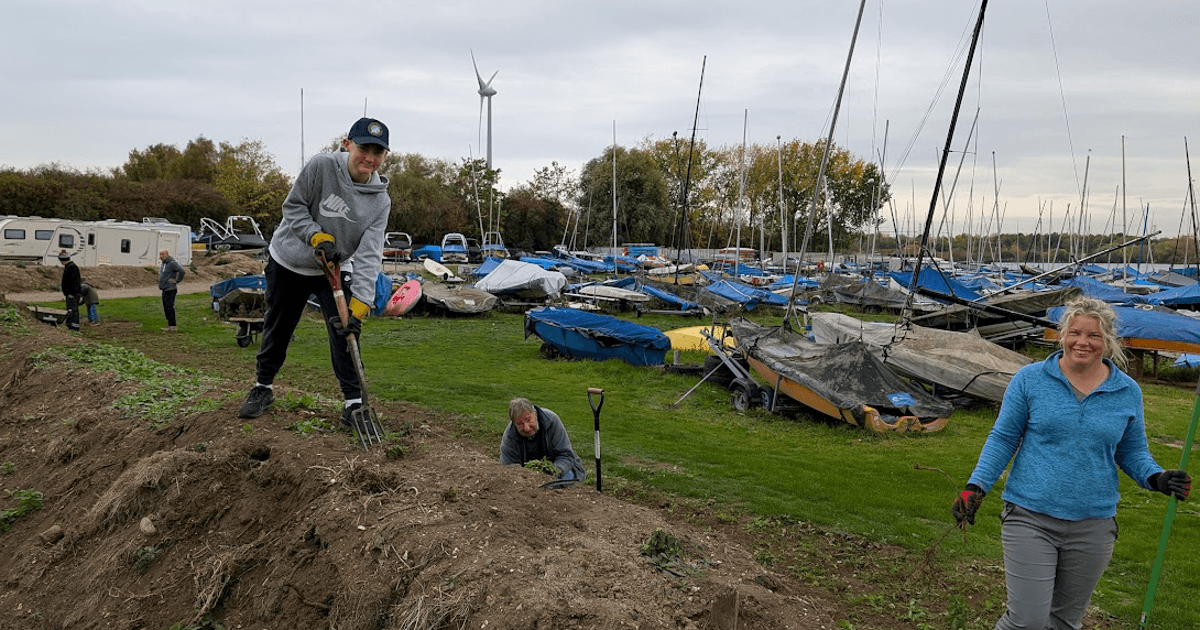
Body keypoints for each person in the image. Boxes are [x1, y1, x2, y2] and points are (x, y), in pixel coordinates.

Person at [953, 297, 1192, 630]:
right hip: (1030, 517)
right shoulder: (1030, 380)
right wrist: (974, 488)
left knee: (1065, 621)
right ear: (1062, 335)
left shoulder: (1127, 391)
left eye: (1094, 335)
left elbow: (1131, 452)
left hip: (1093, 525)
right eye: (1075, 332)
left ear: (1107, 341)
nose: (1083, 342)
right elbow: (1003, 439)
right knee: (1028, 621)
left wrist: (1156, 478)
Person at [237, 117, 392, 425]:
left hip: (332, 268)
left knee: (344, 333)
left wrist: (361, 303)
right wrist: (315, 235)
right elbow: (292, 207)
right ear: (348, 145)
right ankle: (262, 387)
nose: (370, 158)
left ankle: (353, 405)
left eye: (378, 152)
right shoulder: (321, 166)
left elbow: (370, 254)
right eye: (364, 148)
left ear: (385, 156)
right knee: (279, 327)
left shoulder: (380, 202)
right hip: (289, 261)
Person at [500, 397, 586, 481]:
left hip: (560, 469)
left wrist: (553, 472)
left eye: (528, 420)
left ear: (535, 414)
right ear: (514, 424)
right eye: (520, 424)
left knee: (557, 484)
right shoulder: (509, 436)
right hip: (528, 477)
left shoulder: (551, 421)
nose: (526, 428)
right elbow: (509, 469)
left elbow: (566, 455)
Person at [158, 249, 186, 331]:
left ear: (167, 254)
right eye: (160, 254)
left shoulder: (172, 263)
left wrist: (176, 280)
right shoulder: (163, 264)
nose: (161, 256)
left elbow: (182, 271)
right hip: (164, 288)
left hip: (170, 289)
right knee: (165, 307)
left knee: (169, 307)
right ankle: (169, 325)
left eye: (162, 254)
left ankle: (173, 326)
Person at [58, 250, 81, 331]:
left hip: (72, 294)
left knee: (73, 310)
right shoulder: (69, 267)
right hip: (69, 293)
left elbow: (74, 281)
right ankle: (70, 325)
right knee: (70, 310)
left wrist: (72, 293)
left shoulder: (72, 267)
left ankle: (74, 326)